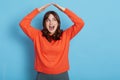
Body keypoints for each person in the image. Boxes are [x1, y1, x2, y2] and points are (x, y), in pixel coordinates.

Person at [19, 3, 84, 80]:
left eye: (54, 20)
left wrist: (64, 10)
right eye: (48, 20)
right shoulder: (37, 35)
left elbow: (80, 23)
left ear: (58, 23)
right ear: (44, 23)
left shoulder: (66, 35)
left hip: (62, 75)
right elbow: (23, 23)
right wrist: (38, 10)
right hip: (42, 75)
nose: (51, 23)